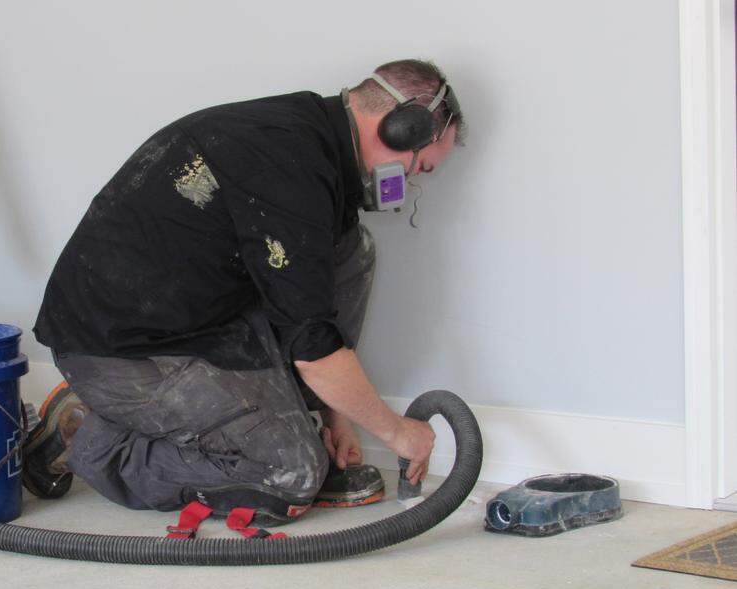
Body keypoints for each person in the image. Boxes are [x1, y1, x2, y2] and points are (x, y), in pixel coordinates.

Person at [26, 59, 463, 527]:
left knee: (352, 250)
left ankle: (296, 425)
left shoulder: (311, 141)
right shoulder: (288, 169)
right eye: (423, 167)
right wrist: (397, 434)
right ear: (401, 129)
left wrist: (338, 414)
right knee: (290, 476)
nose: (411, 180)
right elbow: (314, 348)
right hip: (122, 354)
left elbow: (314, 304)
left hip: (198, 319)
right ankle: (90, 439)